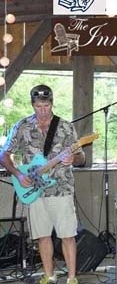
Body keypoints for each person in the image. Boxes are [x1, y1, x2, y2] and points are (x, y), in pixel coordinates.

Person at [0, 84, 86, 284]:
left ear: (52, 103)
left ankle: (72, 277)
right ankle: (49, 275)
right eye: (38, 106)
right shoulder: (22, 126)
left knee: (67, 235)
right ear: (33, 105)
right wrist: (19, 175)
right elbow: (4, 154)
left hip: (61, 188)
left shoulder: (65, 126)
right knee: (42, 235)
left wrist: (74, 159)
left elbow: (82, 156)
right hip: (34, 190)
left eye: (46, 106)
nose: (43, 111)